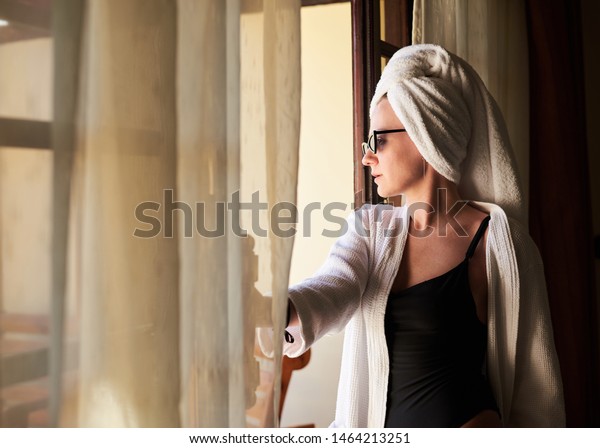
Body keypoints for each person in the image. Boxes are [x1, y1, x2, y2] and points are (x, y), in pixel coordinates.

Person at [264, 44, 565, 428]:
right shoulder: (369, 229)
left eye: (378, 140)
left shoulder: (500, 243)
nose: (366, 157)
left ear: (426, 135)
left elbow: (537, 387)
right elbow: (334, 287)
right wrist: (277, 308)